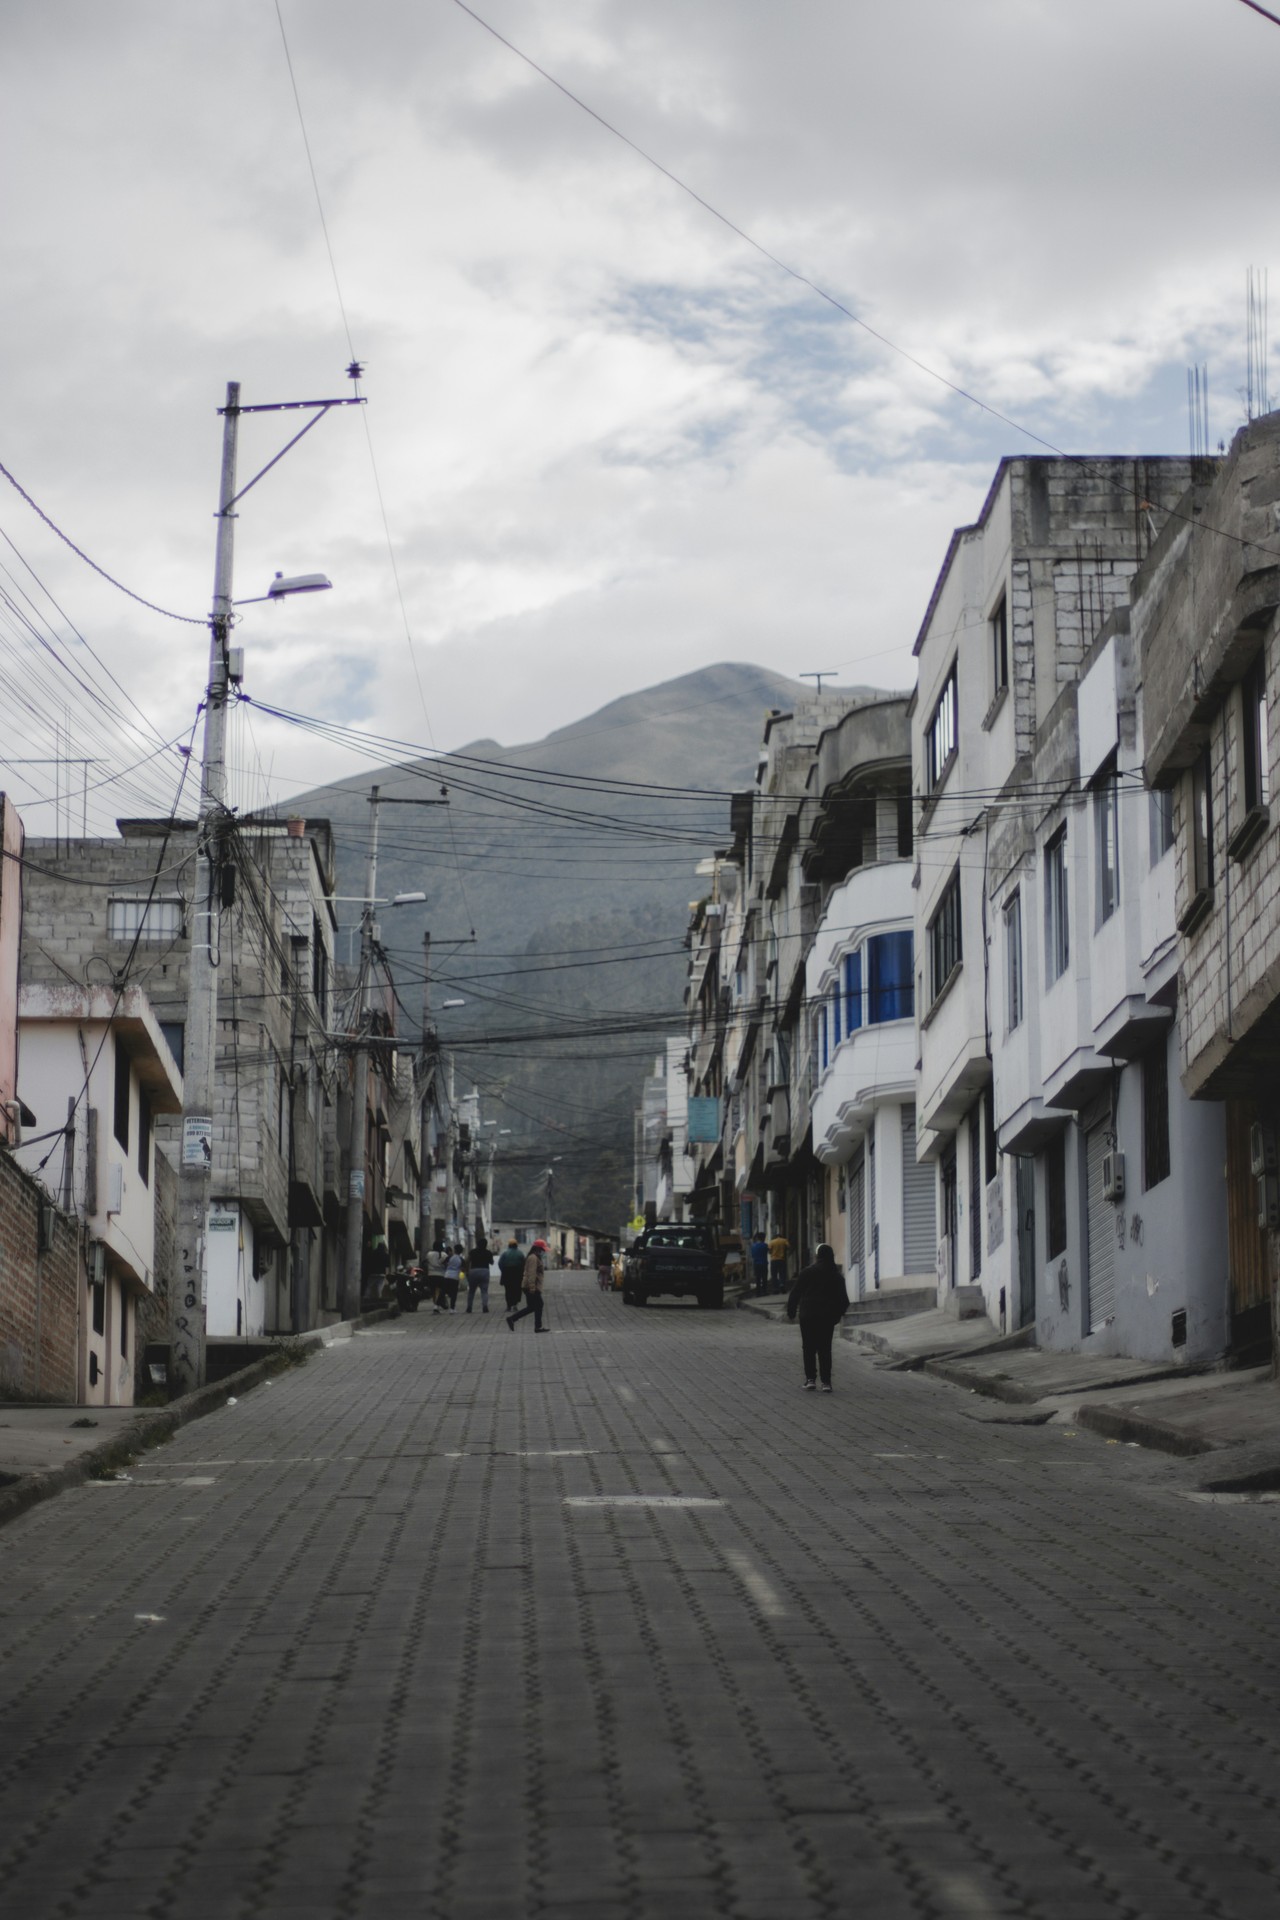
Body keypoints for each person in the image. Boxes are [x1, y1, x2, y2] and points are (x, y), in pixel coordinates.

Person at [786, 1243, 848, 1392]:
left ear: (817, 1256)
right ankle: (826, 1382)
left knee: (808, 1347)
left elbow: (795, 1293)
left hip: (808, 1315)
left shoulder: (807, 1272)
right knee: (825, 1349)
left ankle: (810, 1380)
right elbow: (844, 1301)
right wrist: (837, 1316)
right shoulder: (837, 1276)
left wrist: (791, 1311)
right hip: (827, 1317)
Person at [507, 1238, 549, 1333]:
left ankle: (512, 1319)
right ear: (538, 1249)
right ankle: (537, 1327)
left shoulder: (534, 1257)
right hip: (530, 1286)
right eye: (543, 1250)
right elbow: (531, 1273)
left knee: (532, 1307)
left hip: (530, 1286)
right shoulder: (533, 1258)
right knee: (539, 1305)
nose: (544, 1252)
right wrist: (532, 1287)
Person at [466, 1233, 493, 1314]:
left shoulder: (472, 1252)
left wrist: (467, 1271)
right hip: (485, 1271)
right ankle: (485, 1306)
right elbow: (491, 1262)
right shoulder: (488, 1252)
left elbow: (467, 1261)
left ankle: (469, 1307)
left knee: (471, 1291)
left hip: (474, 1271)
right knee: (484, 1291)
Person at [497, 1238, 525, 1313]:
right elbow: (524, 1263)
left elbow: (500, 1263)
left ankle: (509, 1306)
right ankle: (515, 1305)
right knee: (517, 1289)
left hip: (507, 1273)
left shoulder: (505, 1253)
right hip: (518, 1273)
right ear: (516, 1245)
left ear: (509, 1245)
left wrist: (503, 1270)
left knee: (508, 1289)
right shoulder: (520, 1253)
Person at [440, 1245, 463, 1313]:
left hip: (447, 1275)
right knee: (454, 1294)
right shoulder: (461, 1259)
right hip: (455, 1277)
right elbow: (463, 1269)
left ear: (455, 1250)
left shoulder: (450, 1257)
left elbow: (443, 1263)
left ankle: (436, 1306)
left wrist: (448, 1266)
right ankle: (452, 1309)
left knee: (443, 1291)